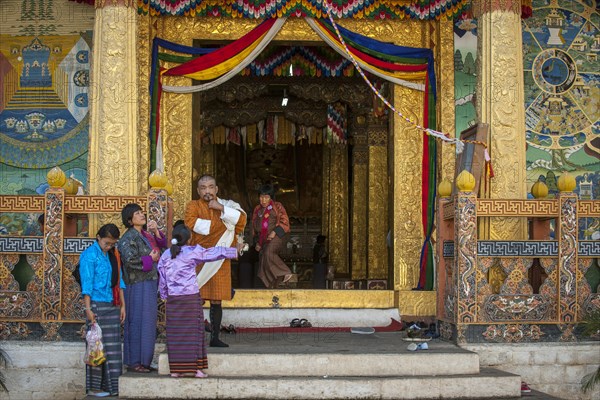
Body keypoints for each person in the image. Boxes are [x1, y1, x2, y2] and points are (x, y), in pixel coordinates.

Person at [158, 224, 244, 378]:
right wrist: (233, 251)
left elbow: (162, 278)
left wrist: (165, 296)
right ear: (189, 238)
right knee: (194, 334)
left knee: (176, 334)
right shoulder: (191, 252)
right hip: (190, 298)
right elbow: (212, 253)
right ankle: (195, 369)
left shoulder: (165, 255)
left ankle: (176, 370)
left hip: (173, 300)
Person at [184, 175, 246, 347]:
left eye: (211, 187)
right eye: (203, 188)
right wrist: (226, 222)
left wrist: (221, 208)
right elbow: (191, 224)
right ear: (198, 191)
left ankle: (215, 337)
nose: (207, 191)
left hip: (220, 260)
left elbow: (241, 222)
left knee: (217, 299)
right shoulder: (192, 206)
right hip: (199, 258)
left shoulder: (227, 205)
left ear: (216, 189)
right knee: (195, 297)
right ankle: (194, 336)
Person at [117, 203, 166, 372]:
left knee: (148, 322)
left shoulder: (144, 235)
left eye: (141, 212)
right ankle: (134, 362)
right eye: (137, 213)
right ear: (130, 220)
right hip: (137, 285)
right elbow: (129, 261)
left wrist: (156, 232)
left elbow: (163, 245)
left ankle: (144, 361)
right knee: (137, 321)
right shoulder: (128, 238)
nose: (142, 215)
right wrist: (149, 259)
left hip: (149, 283)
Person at [79, 223, 125, 397]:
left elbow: (119, 281)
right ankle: (95, 387)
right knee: (95, 347)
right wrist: (88, 309)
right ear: (98, 237)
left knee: (113, 350)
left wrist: (123, 306)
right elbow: (87, 284)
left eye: (112, 243)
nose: (109, 246)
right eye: (107, 243)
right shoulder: (89, 256)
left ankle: (113, 387)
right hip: (96, 305)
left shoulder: (112, 255)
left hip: (112, 306)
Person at [251, 184, 293, 289]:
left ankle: (285, 272)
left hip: (278, 236)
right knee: (263, 258)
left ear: (271, 198)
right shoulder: (257, 209)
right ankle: (274, 283)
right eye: (261, 197)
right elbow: (254, 227)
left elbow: (285, 222)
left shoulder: (277, 206)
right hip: (263, 239)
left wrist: (274, 232)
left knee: (268, 252)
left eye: (266, 197)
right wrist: (257, 242)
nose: (263, 200)